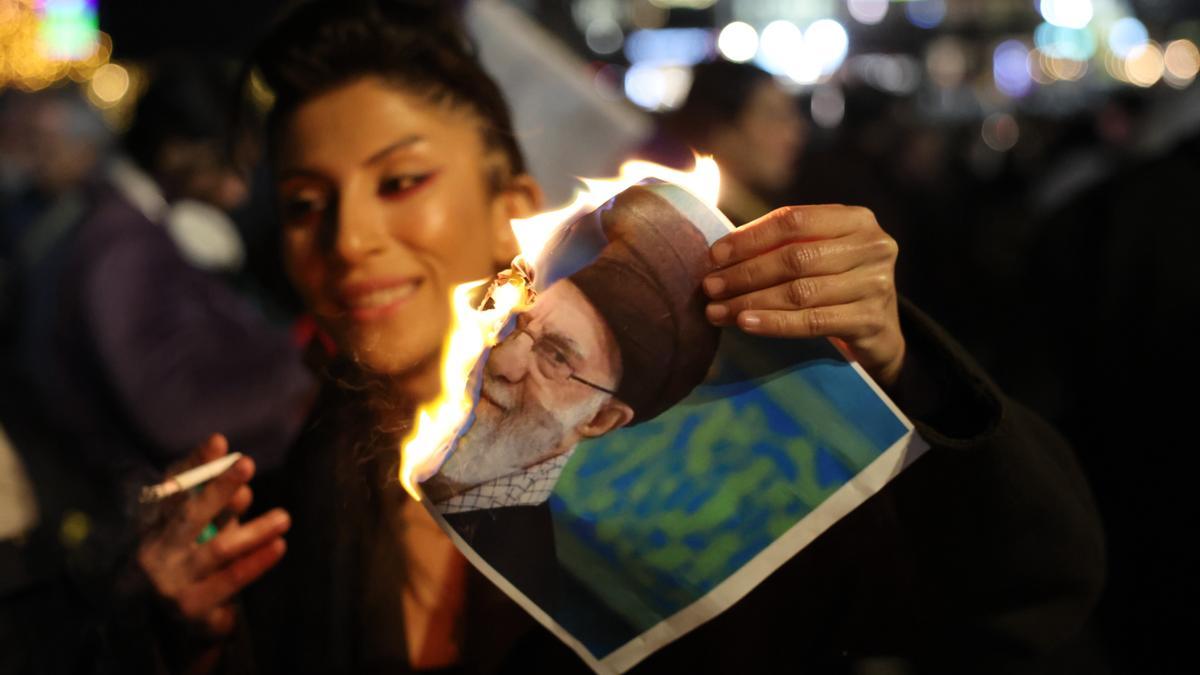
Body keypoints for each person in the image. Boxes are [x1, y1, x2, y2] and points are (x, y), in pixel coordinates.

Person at [133, 2, 1103, 674]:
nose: (346, 241)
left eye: (401, 183)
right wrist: (188, 635)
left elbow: (1032, 592)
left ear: (514, 206)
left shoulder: (717, 504)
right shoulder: (289, 492)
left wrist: (907, 369)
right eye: (305, 203)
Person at [425, 184, 720, 511]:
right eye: (518, 322)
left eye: (556, 356)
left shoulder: (510, 556)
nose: (502, 361)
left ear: (601, 418)